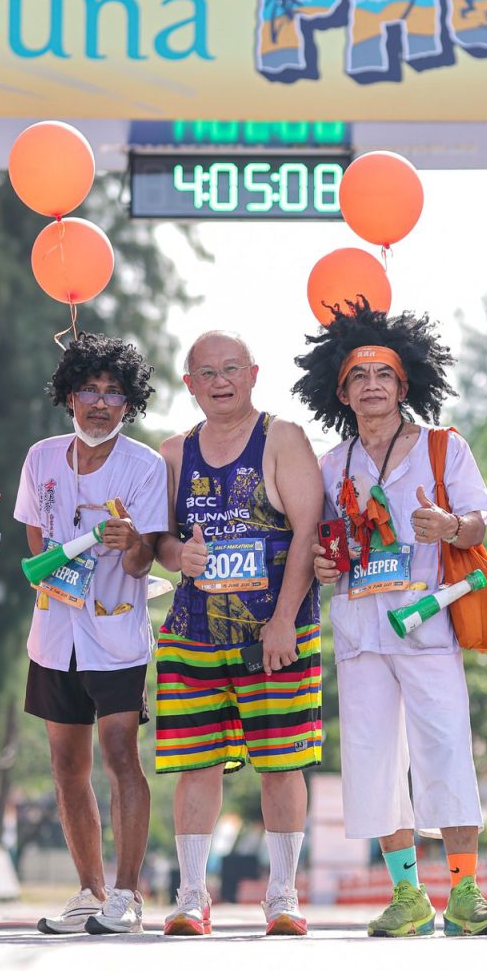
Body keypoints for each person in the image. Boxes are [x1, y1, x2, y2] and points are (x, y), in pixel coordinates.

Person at [294, 300, 487, 938]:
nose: (372, 386)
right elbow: (322, 543)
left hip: (426, 625)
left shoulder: (444, 448)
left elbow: (478, 521)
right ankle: (407, 895)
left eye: (383, 374)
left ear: (404, 383)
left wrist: (449, 525)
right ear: (341, 392)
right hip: (360, 630)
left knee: (446, 750)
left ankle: (465, 892)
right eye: (358, 376)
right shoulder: (332, 464)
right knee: (371, 760)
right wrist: (323, 564)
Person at [152, 330, 325, 937]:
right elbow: (157, 542)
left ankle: (283, 895)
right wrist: (178, 555)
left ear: (253, 374)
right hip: (193, 630)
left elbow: (309, 533)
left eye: (231, 369)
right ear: (189, 383)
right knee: (194, 763)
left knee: (281, 762)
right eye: (206, 372)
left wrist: (283, 620)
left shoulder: (282, 439)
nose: (220, 381)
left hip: (273, 631)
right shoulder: (172, 453)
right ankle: (191, 895)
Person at [18, 333, 167, 936]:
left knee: (121, 756)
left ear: (129, 403)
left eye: (113, 392)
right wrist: (60, 561)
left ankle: (126, 896)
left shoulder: (145, 465)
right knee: (65, 765)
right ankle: (89, 892)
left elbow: (142, 562)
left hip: (115, 633)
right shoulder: (41, 457)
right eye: (89, 390)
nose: (100, 403)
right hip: (55, 634)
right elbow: (35, 543)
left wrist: (130, 541)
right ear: (69, 396)